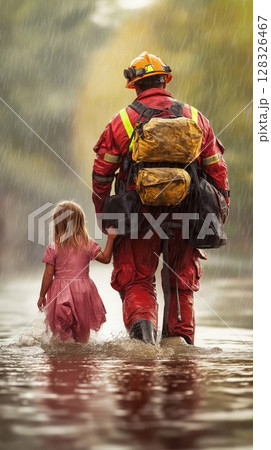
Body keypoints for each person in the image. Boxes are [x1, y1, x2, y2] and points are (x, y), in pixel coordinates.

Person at [92, 51, 230, 346]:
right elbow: (217, 171)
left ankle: (143, 341)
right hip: (188, 213)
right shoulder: (195, 118)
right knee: (180, 281)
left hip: (137, 215)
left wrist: (106, 217)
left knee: (137, 279)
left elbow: (102, 175)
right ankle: (178, 344)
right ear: (165, 81)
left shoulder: (123, 122)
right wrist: (218, 213)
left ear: (135, 86)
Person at [37, 201, 117, 343]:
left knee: (60, 331)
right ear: (80, 222)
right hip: (83, 291)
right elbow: (105, 259)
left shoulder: (53, 247)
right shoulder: (88, 243)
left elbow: (48, 274)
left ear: (57, 223)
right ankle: (82, 360)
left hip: (60, 291)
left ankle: (63, 360)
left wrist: (42, 295)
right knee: (82, 334)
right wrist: (110, 238)